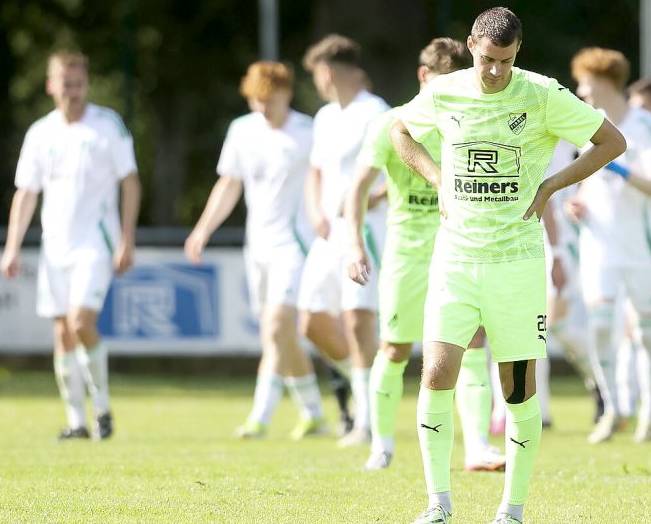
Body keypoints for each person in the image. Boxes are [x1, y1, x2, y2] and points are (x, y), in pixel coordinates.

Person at [391, 7, 626, 524]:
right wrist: (436, 177)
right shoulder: (445, 91)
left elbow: (613, 141)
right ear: (472, 45)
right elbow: (400, 130)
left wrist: (552, 185)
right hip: (455, 258)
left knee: (517, 389)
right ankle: (438, 507)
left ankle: (511, 514)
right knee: (435, 374)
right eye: (487, 59)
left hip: (516, 264)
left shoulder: (542, 94)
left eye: (506, 61)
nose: (496, 71)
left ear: (518, 53)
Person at [344, 37, 506, 472]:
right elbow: (357, 189)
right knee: (395, 348)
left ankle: (477, 447)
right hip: (407, 255)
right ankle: (381, 446)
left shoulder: (469, 121)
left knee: (473, 342)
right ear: (424, 76)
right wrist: (354, 243)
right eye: (444, 81)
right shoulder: (390, 123)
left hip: (459, 250)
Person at [0, 50, 141, 440]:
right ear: (51, 85)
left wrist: (127, 238)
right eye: (66, 83)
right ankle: (76, 421)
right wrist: (12, 245)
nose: (73, 91)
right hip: (54, 246)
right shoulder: (40, 133)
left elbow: (130, 181)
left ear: (86, 85)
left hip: (95, 242)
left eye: (79, 84)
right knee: (63, 331)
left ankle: (103, 408)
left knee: (81, 322)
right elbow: (26, 193)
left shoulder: (107, 125)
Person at [184, 62, 327, 440]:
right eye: (256, 101)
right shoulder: (241, 131)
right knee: (277, 336)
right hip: (257, 246)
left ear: (287, 94)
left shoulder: (309, 131)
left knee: (277, 326)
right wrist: (202, 229)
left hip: (295, 244)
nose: (263, 108)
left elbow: (328, 181)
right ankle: (315, 412)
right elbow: (229, 184)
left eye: (270, 100)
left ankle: (259, 417)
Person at [562, 48, 651, 444]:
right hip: (599, 247)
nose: (580, 91)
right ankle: (611, 409)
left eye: (585, 82)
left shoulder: (645, 126)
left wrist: (618, 166)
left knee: (644, 333)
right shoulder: (585, 123)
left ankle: (650, 414)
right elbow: (585, 185)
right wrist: (577, 205)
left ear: (605, 81)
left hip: (641, 247)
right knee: (601, 327)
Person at [298, 34, 391, 446]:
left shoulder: (377, 111)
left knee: (357, 318)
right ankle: (366, 388)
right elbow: (315, 171)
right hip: (329, 233)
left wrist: (371, 198)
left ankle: (367, 421)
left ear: (327, 72)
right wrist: (315, 212)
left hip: (367, 228)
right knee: (311, 320)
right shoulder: (324, 117)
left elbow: (400, 170)